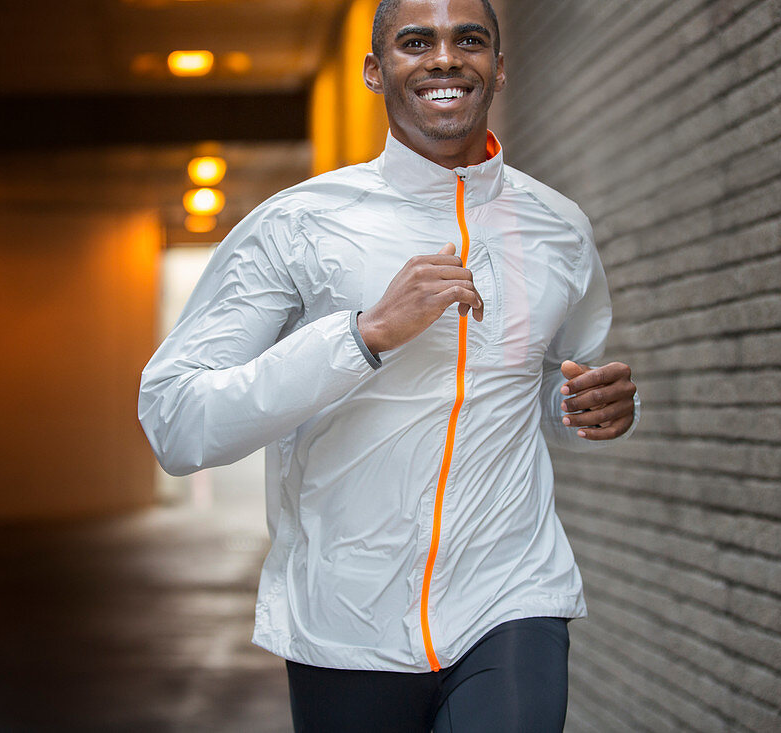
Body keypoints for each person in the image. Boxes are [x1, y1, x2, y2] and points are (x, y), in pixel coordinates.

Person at [139, 0, 639, 729]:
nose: (444, 58)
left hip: (512, 593)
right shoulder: (297, 224)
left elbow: (547, 391)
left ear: (499, 67)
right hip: (346, 618)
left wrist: (585, 410)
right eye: (416, 42)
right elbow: (177, 422)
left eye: (469, 40)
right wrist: (362, 336)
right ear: (376, 71)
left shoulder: (559, 227)